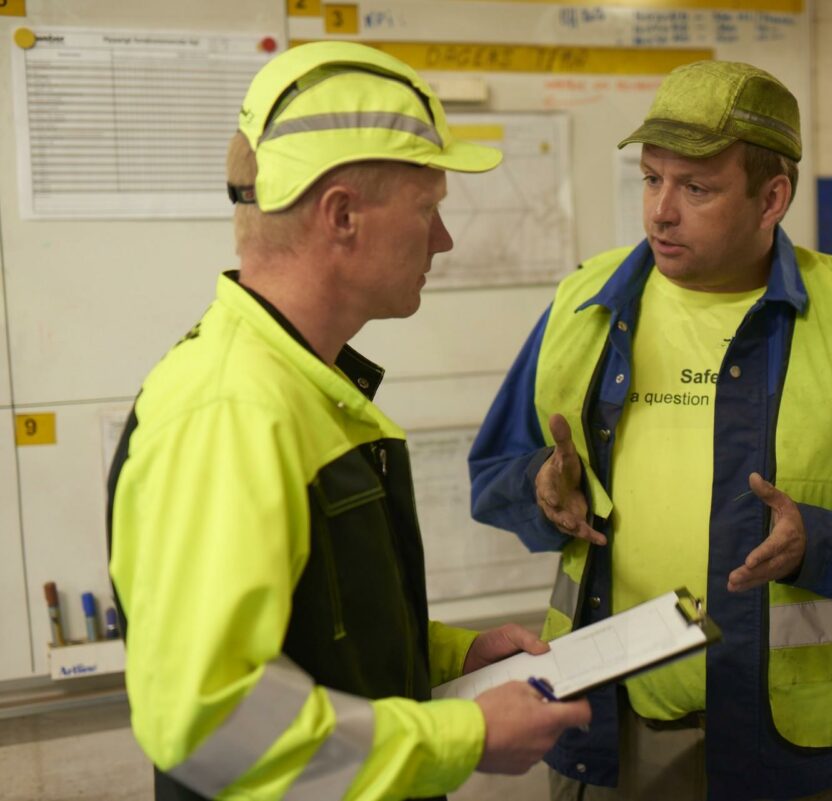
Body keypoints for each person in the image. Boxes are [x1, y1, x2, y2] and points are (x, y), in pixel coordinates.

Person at [469, 60, 832, 801]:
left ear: (771, 196)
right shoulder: (582, 306)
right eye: (651, 179)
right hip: (619, 745)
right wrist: (538, 487)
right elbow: (495, 469)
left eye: (696, 188)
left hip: (809, 763)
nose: (660, 212)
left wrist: (824, 541)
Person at [106, 41, 589, 801]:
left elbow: (313, 632)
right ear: (341, 216)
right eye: (428, 209)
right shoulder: (230, 410)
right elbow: (210, 720)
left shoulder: (300, 385)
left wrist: (447, 656)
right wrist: (469, 733)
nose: (444, 239)